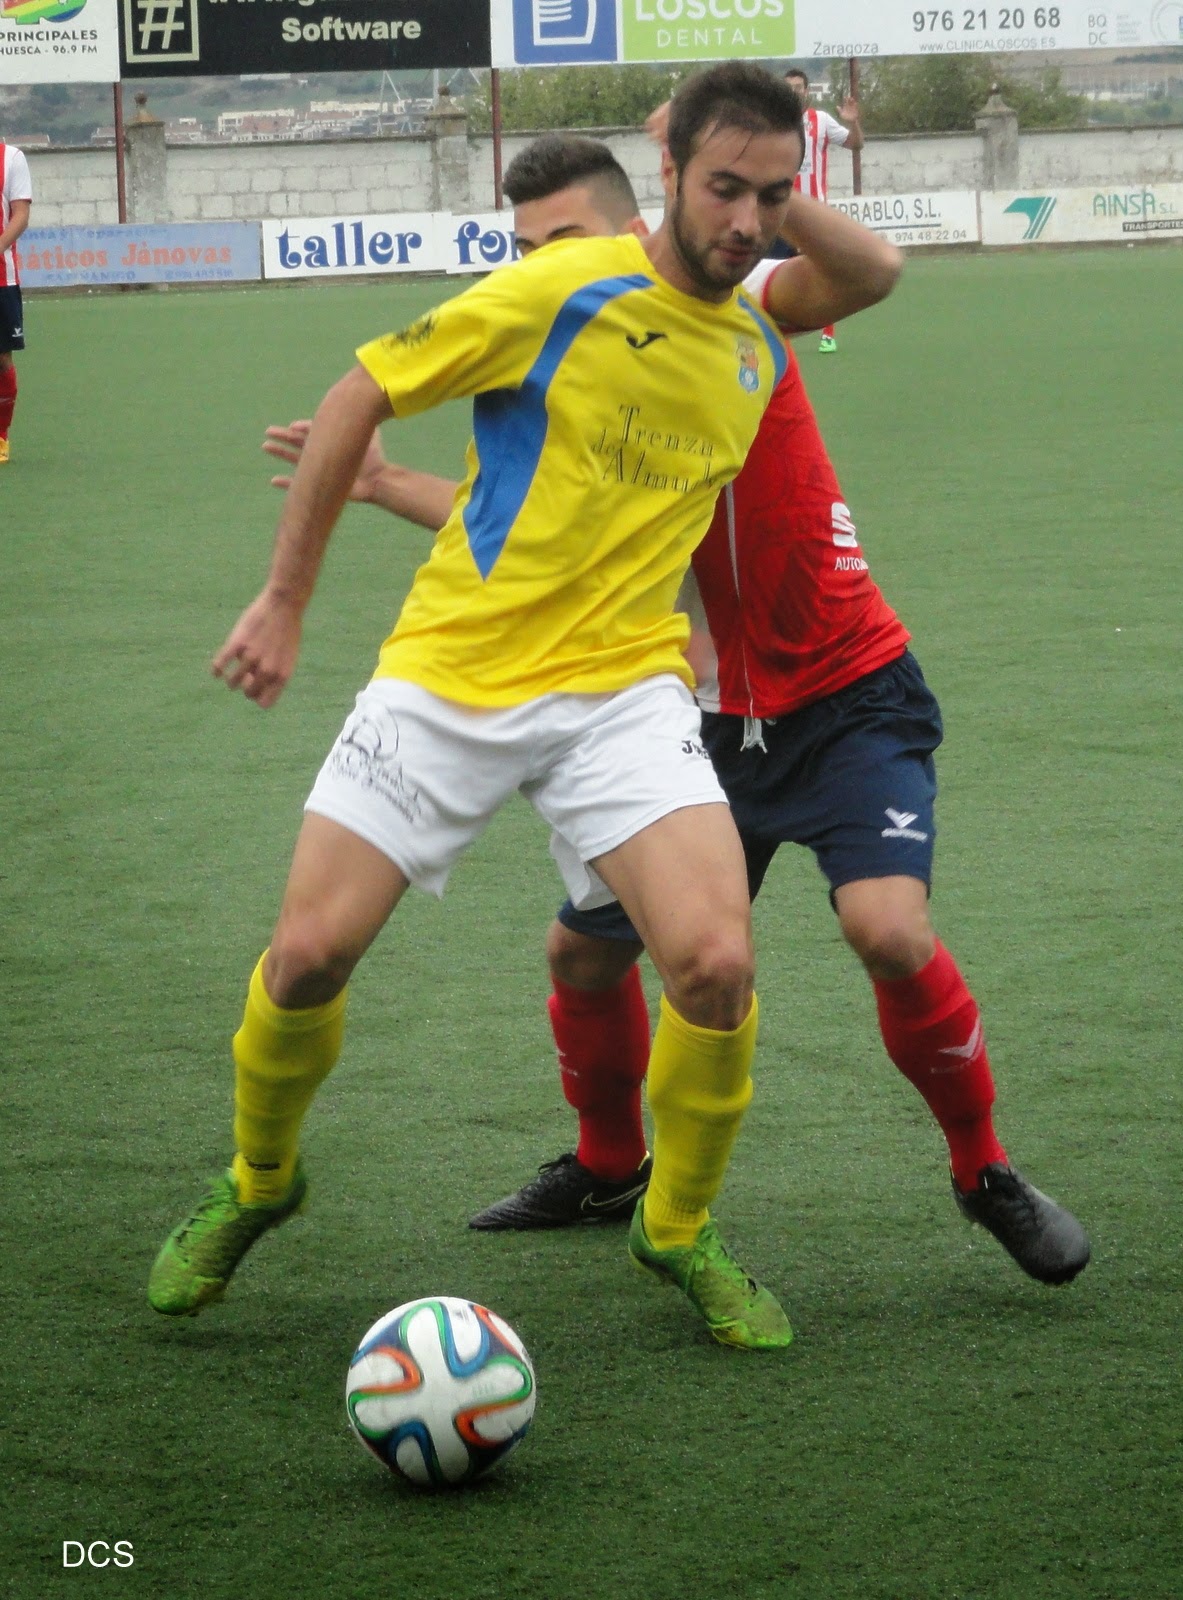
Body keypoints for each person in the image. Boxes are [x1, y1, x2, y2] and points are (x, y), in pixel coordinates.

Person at [272, 136, 1089, 1290]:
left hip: (846, 695)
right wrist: (379, 483)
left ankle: (983, 1168)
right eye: (525, 252)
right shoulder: (579, 350)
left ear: (639, 220)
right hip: (703, 720)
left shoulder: (737, 301)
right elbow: (534, 525)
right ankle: (611, 1165)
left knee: (887, 929)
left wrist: (752, 188)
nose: (541, 271)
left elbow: (867, 270)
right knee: (584, 954)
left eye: (561, 243)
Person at [148, 63, 809, 1352]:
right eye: (724, 187)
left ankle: (676, 1223)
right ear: (670, 175)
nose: (746, 219)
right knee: (307, 957)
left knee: (717, 966)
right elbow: (360, 393)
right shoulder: (558, 287)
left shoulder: (755, 355)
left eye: (772, 195)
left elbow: (606, 512)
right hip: (451, 673)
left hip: (623, 695)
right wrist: (283, 599)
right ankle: (261, 1180)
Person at [784, 68, 863, 354]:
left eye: (798, 87)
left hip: (815, 212)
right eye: (788, 87)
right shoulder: (774, 121)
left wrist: (853, 123)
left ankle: (827, 334)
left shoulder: (821, 121)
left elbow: (856, 144)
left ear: (806, 91)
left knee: (823, 273)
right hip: (782, 213)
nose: (794, 92)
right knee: (779, 274)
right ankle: (778, 335)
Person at [0, 139, 32, 465]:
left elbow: (20, 216)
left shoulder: (11, 159)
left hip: (1, 278)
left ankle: (1, 435)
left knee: (2, 359)